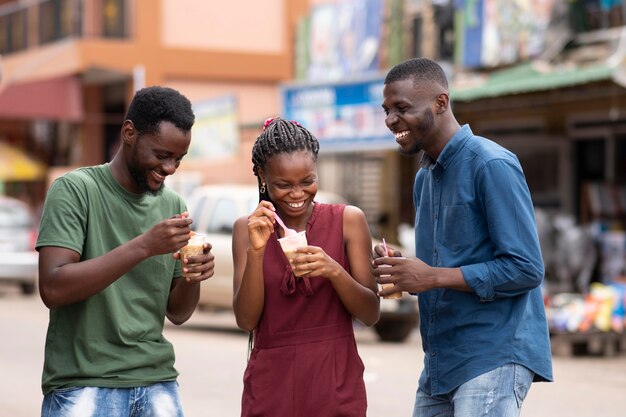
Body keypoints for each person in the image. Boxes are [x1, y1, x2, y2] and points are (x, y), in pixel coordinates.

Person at [375, 57, 553, 417]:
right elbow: (440, 267)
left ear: (441, 103)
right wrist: (404, 269)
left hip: (492, 353)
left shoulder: (491, 164)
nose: (391, 120)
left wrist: (430, 276)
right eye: (387, 110)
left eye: (402, 108)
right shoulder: (424, 179)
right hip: (441, 360)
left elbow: (526, 268)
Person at [36, 86, 215, 417]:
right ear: (129, 133)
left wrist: (194, 275)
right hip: (84, 382)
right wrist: (145, 246)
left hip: (157, 380)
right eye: (162, 155)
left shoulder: (173, 205)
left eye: (178, 159)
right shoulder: (75, 190)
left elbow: (177, 313)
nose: (171, 168)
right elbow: (53, 287)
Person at [232, 117, 380, 417]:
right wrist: (258, 252)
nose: (297, 194)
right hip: (271, 384)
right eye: (283, 185)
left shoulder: (348, 220)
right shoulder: (246, 229)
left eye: (307, 181)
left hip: (334, 380)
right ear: (262, 176)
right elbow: (247, 320)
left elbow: (370, 313)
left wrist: (333, 270)